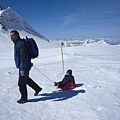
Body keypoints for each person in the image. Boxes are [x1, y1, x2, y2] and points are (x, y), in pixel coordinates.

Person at [10, 30, 42, 104]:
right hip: (24, 65)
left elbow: (24, 57)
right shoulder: (17, 43)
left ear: (17, 35)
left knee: (21, 83)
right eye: (10, 36)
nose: (11, 37)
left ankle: (23, 98)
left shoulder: (21, 44)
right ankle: (37, 88)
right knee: (25, 79)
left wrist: (22, 69)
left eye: (13, 35)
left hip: (24, 66)